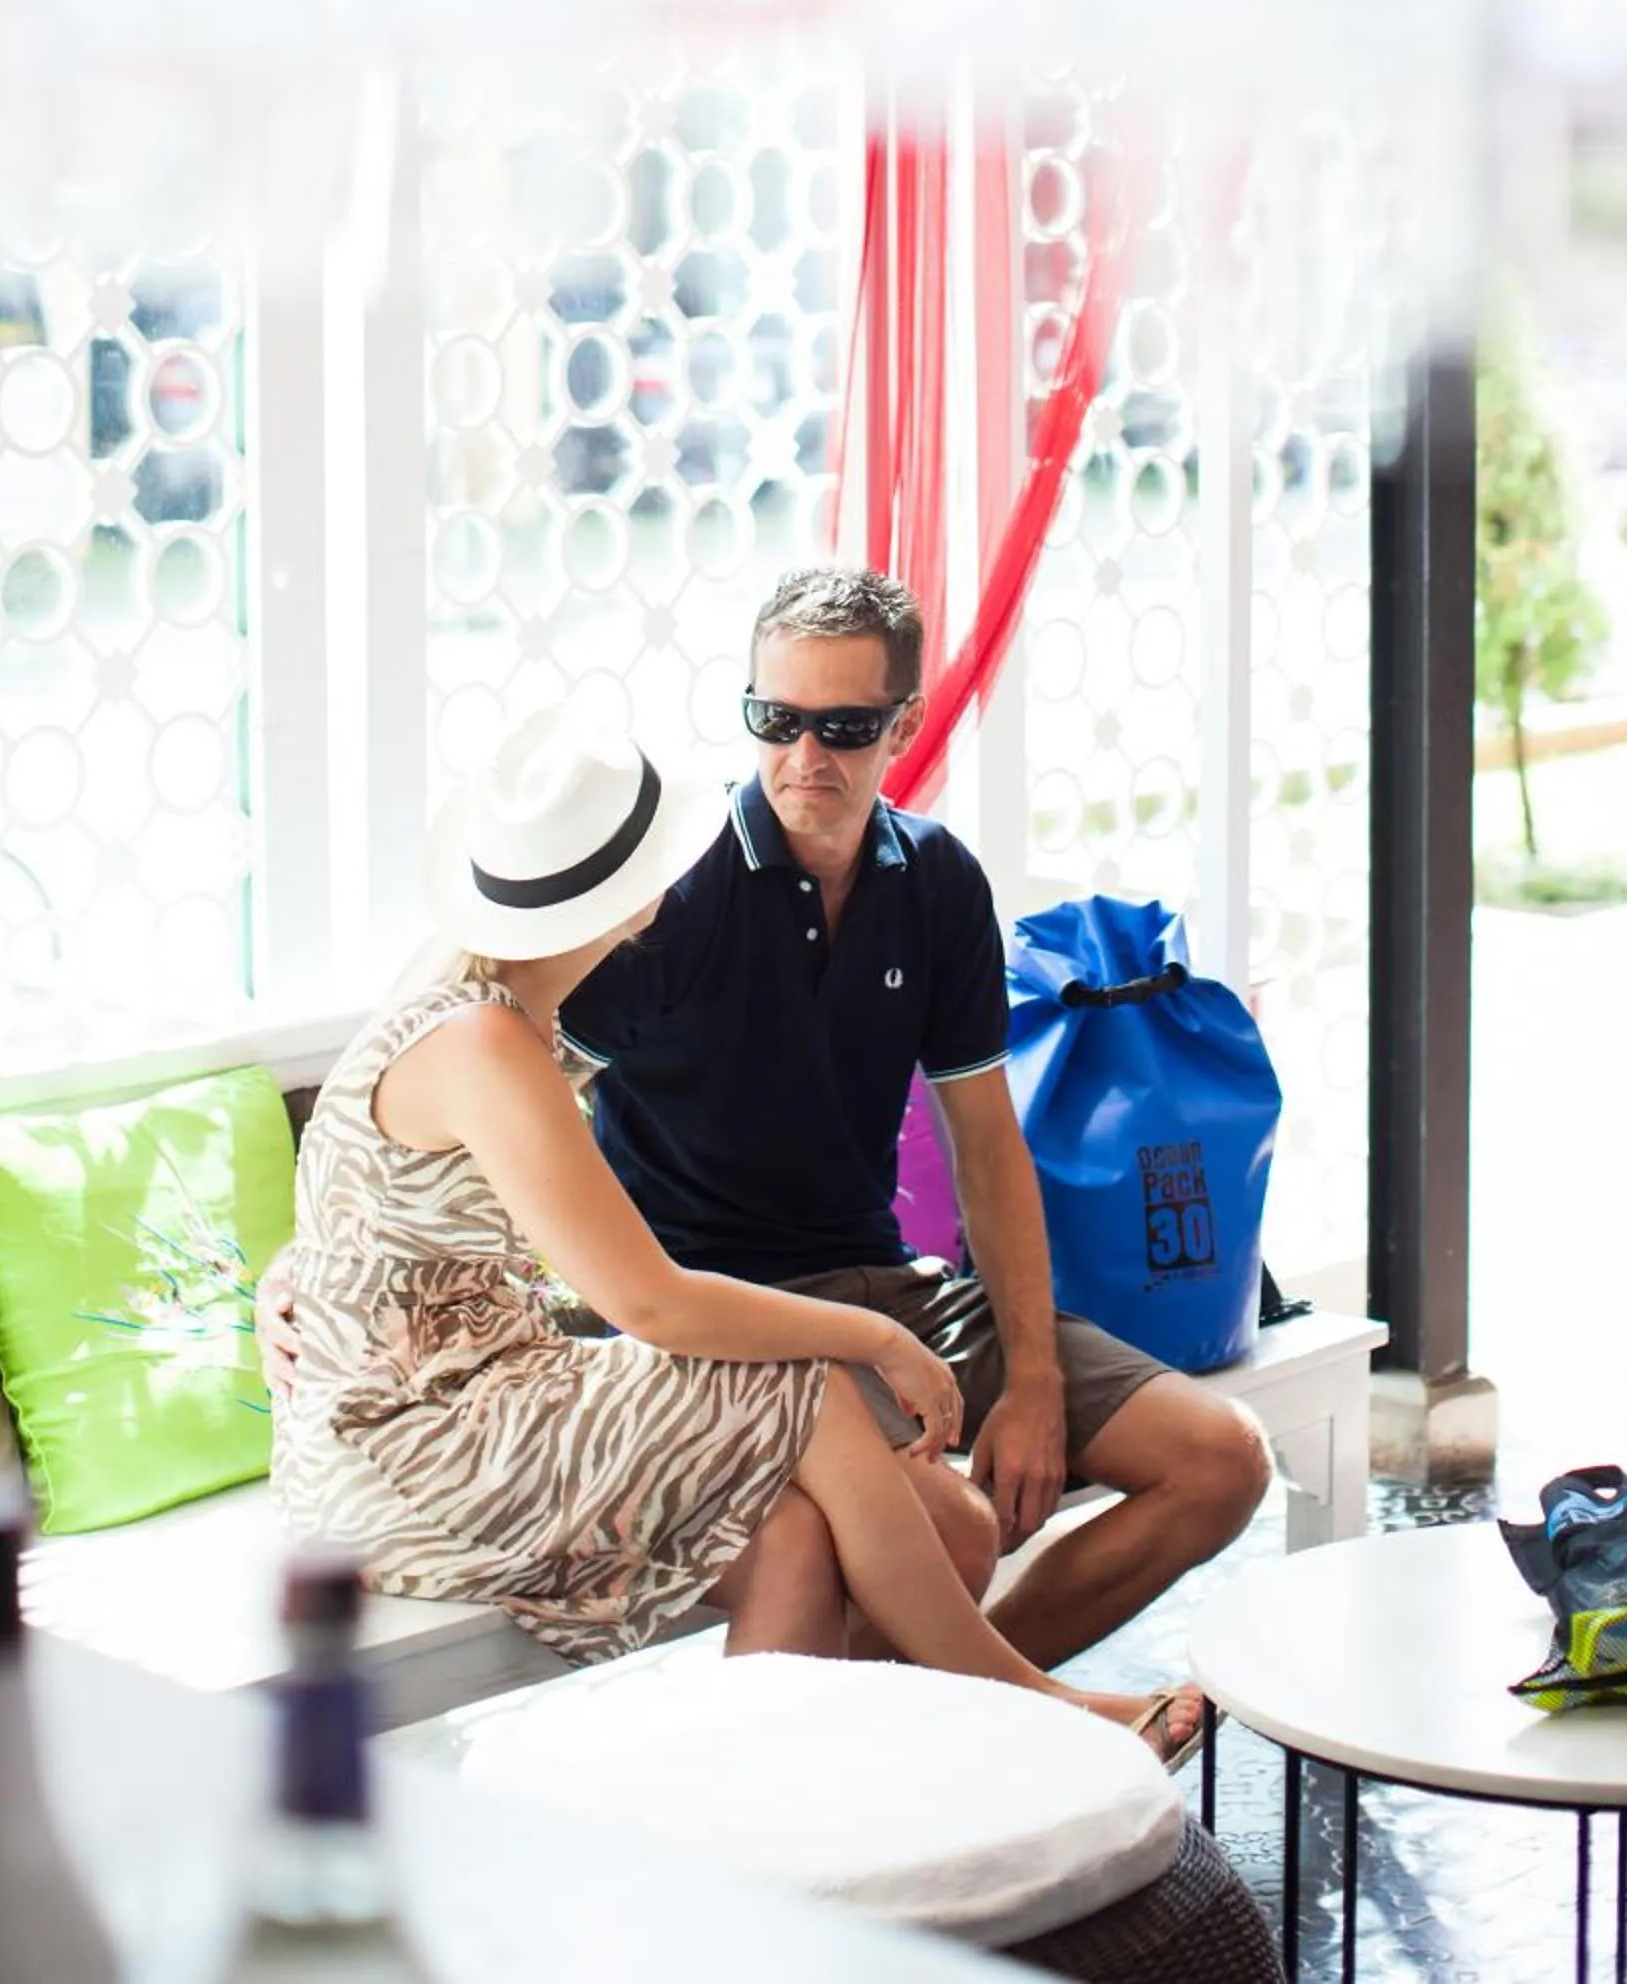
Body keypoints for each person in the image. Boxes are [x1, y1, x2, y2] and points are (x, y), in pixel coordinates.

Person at [266, 569, 1271, 1752]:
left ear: (901, 726)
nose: (804, 754)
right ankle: (1011, 1720)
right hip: (656, 1328)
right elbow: (614, 1278)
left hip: (839, 1284)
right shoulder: (606, 957)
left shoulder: (921, 886)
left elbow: (985, 1146)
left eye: (843, 727)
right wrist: (302, 1268)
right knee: (930, 1516)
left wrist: (1031, 1378)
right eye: (775, 720)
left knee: (1204, 1463)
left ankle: (819, 1783)